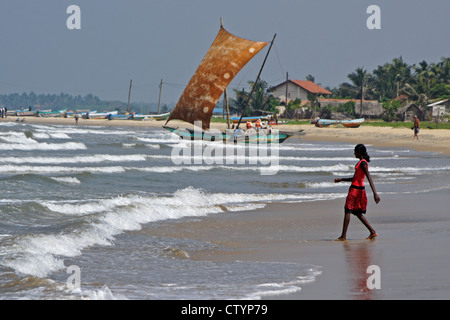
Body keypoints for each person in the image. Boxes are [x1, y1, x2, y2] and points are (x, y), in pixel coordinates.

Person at [334, 144, 380, 240]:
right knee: (357, 212)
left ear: (360, 152)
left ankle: (343, 236)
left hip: (355, 190)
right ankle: (372, 232)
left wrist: (375, 193)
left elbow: (369, 178)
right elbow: (356, 178)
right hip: (360, 190)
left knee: (347, 210)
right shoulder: (361, 163)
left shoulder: (363, 163)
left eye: (355, 151)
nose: (354, 153)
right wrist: (341, 179)